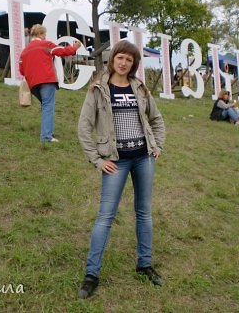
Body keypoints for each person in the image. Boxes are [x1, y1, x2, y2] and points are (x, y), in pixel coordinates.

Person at [76, 40, 166, 299]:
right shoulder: (98, 89)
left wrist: (157, 145)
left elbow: (157, 119)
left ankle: (145, 264)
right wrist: (96, 159)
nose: (124, 63)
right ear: (112, 59)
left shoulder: (140, 88)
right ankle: (92, 274)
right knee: (105, 217)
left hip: (143, 158)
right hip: (115, 161)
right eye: (120, 58)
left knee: (144, 213)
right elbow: (84, 127)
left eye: (129, 59)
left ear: (134, 63)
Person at [19, 24, 81, 142]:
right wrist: (74, 48)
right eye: (44, 34)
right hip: (47, 80)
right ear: (40, 34)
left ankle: (47, 130)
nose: (45, 37)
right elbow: (61, 51)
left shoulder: (25, 51)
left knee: (45, 105)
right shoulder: (45, 44)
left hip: (33, 84)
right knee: (48, 106)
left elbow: (21, 69)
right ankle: (46, 136)